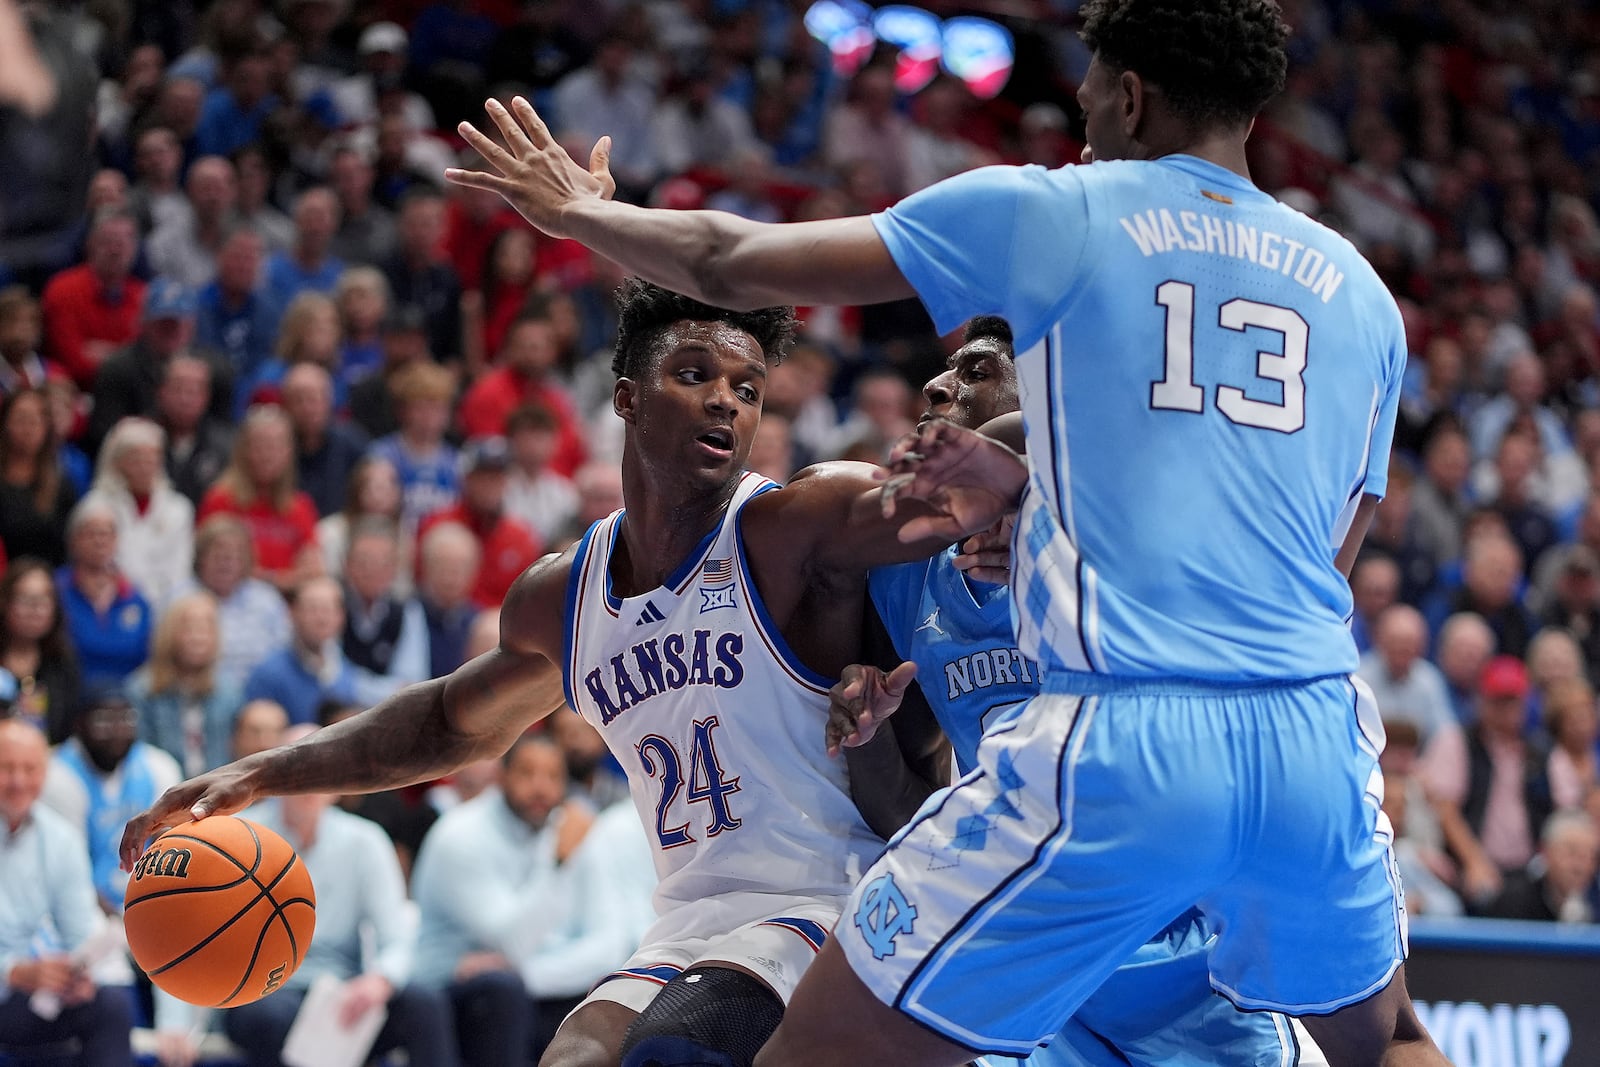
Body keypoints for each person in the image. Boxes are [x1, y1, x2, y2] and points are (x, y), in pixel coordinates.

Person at [430, 0, 1450, 1060]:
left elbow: (732, 258)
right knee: (1387, 1038)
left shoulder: (1068, 209)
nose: (1085, 121)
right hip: (1315, 733)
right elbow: (1334, 546)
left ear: (1132, 94)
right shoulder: (1364, 296)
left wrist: (584, 216)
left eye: (1092, 94)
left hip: (1127, 733)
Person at [123, 280, 952, 1067]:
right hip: (692, 921)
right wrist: (259, 772)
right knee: (573, 1054)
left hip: (833, 899)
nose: (724, 401)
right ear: (625, 398)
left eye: (747, 386)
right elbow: (446, 721)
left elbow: (938, 503)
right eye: (694, 373)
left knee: (682, 1047)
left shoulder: (788, 529)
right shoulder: (566, 593)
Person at [830, 316, 1309, 1066]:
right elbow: (909, 809)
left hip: (1179, 945)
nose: (939, 383)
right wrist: (863, 737)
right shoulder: (901, 575)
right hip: (1022, 944)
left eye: (981, 370)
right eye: (947, 370)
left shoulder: (1136, 549)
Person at [212, 723, 460, 1067]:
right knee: (267, 1016)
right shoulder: (241, 837)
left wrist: (379, 980)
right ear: (273, 777)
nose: (310, 780)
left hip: (341, 991)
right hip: (265, 989)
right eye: (297, 766)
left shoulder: (366, 840)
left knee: (423, 1004)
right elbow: (203, 932)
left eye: (322, 769)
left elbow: (398, 937)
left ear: (339, 783)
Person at [411, 732, 649, 1065]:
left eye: (553, 776)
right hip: (452, 989)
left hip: (535, 983)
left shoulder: (569, 827)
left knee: (614, 1000)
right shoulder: (460, 835)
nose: (540, 787)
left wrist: (533, 975)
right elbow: (512, 942)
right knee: (502, 991)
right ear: (502, 775)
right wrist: (558, 863)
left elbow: (610, 944)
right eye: (527, 773)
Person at [0, 719, 134, 1067]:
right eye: (6, 768)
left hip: (26, 997)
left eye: (29, 769)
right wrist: (11, 972)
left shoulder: (61, 838)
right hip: (10, 980)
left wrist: (78, 974)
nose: (18, 782)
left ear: (44, 775)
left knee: (111, 1005)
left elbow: (78, 932)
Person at [44, 685, 181, 913]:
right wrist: (118, 922)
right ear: (79, 724)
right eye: (104, 721)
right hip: (85, 906)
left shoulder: (158, 765)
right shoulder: (58, 775)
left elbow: (172, 847)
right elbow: (68, 871)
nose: (117, 730)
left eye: (126, 719)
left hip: (149, 900)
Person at [198, 405, 324, 594]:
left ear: (288, 452)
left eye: (276, 446)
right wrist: (282, 579)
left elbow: (313, 570)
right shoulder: (221, 500)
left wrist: (264, 578)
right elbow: (211, 566)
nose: (268, 454)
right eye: (260, 445)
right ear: (243, 450)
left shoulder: (300, 505)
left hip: (288, 605)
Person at [128, 591, 242, 777]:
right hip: (161, 790)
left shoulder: (230, 691)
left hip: (218, 793)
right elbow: (139, 759)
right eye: (189, 629)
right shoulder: (142, 690)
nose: (198, 638)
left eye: (206, 630)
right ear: (169, 634)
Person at [84, 416, 195, 607]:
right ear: (117, 461)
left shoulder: (179, 509)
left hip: (166, 605)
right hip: (111, 603)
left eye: (151, 459)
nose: (145, 467)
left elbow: (180, 572)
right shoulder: (95, 506)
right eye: (136, 459)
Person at [181, 516, 293, 691]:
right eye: (218, 553)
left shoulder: (267, 600)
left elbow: (285, 654)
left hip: (259, 695)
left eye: (235, 555)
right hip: (196, 692)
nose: (226, 561)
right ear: (201, 557)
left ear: (246, 561)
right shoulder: (180, 597)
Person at [55, 498, 154, 687]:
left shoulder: (136, 598)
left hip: (126, 701)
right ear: (73, 540)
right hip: (71, 694)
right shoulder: (57, 590)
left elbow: (147, 659)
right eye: (90, 533)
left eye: (107, 533)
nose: (99, 540)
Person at [243, 576, 359, 726]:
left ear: (341, 617)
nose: (321, 619)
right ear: (292, 613)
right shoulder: (268, 674)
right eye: (313, 609)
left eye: (328, 609)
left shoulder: (346, 670)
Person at [0, 558, 80, 742]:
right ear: (5, 603)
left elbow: (66, 729)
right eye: (25, 599)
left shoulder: (63, 662)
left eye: (43, 600)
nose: (35, 610)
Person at [0, 386, 77, 565]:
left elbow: (67, 548)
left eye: (35, 421)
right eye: (21, 419)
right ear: (5, 424)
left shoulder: (61, 485)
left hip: (46, 583)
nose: (28, 429)